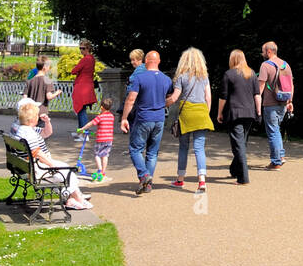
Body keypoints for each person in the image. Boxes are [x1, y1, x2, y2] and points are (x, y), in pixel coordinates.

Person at [11, 99, 93, 211]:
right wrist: (52, 166)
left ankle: (72, 197)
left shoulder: (25, 129)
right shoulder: (29, 133)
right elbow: (38, 153)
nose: (38, 116)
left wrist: (47, 122)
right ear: (32, 119)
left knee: (63, 169)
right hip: (37, 168)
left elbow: (46, 133)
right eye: (37, 115)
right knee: (66, 171)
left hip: (29, 166)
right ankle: (77, 200)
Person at [120, 50, 172, 195]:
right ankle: (147, 184)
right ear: (159, 61)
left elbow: (131, 99)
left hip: (143, 118)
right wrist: (161, 105)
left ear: (146, 61)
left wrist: (124, 118)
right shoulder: (166, 79)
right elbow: (170, 97)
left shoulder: (140, 78)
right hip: (160, 119)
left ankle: (144, 175)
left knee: (135, 149)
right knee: (152, 153)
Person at [167, 47, 214, 193]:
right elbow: (208, 97)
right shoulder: (204, 77)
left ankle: (180, 179)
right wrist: (206, 112)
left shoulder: (181, 77)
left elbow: (175, 97)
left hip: (186, 114)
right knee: (199, 148)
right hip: (201, 112)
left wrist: (162, 103)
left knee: (183, 147)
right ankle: (202, 181)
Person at [218, 51, 261, 186]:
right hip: (249, 113)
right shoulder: (252, 73)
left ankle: (243, 178)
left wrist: (219, 113)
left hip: (234, 113)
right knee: (242, 143)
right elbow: (257, 95)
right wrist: (258, 112)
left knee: (238, 145)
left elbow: (223, 97)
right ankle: (234, 170)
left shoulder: (228, 74)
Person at [258, 40, 294, 169]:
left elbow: (260, 86)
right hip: (283, 102)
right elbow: (291, 85)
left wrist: (255, 102)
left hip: (270, 103)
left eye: (263, 50)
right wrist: (290, 101)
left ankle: (276, 162)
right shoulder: (286, 65)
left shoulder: (265, 65)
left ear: (269, 51)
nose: (262, 53)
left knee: (273, 132)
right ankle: (281, 157)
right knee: (276, 130)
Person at [84, 95, 116, 181]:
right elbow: (106, 127)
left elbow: (91, 123)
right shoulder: (111, 116)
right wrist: (96, 133)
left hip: (100, 139)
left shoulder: (100, 117)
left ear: (101, 107)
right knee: (105, 155)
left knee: (97, 154)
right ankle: (103, 172)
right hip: (109, 139)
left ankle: (99, 169)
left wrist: (82, 129)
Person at [70, 39, 97, 132]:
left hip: (81, 87)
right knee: (82, 108)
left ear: (88, 48)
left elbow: (73, 71)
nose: (81, 50)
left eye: (83, 48)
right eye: (80, 48)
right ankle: (81, 131)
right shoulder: (92, 59)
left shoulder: (85, 59)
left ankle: (85, 132)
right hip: (88, 86)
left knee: (81, 109)